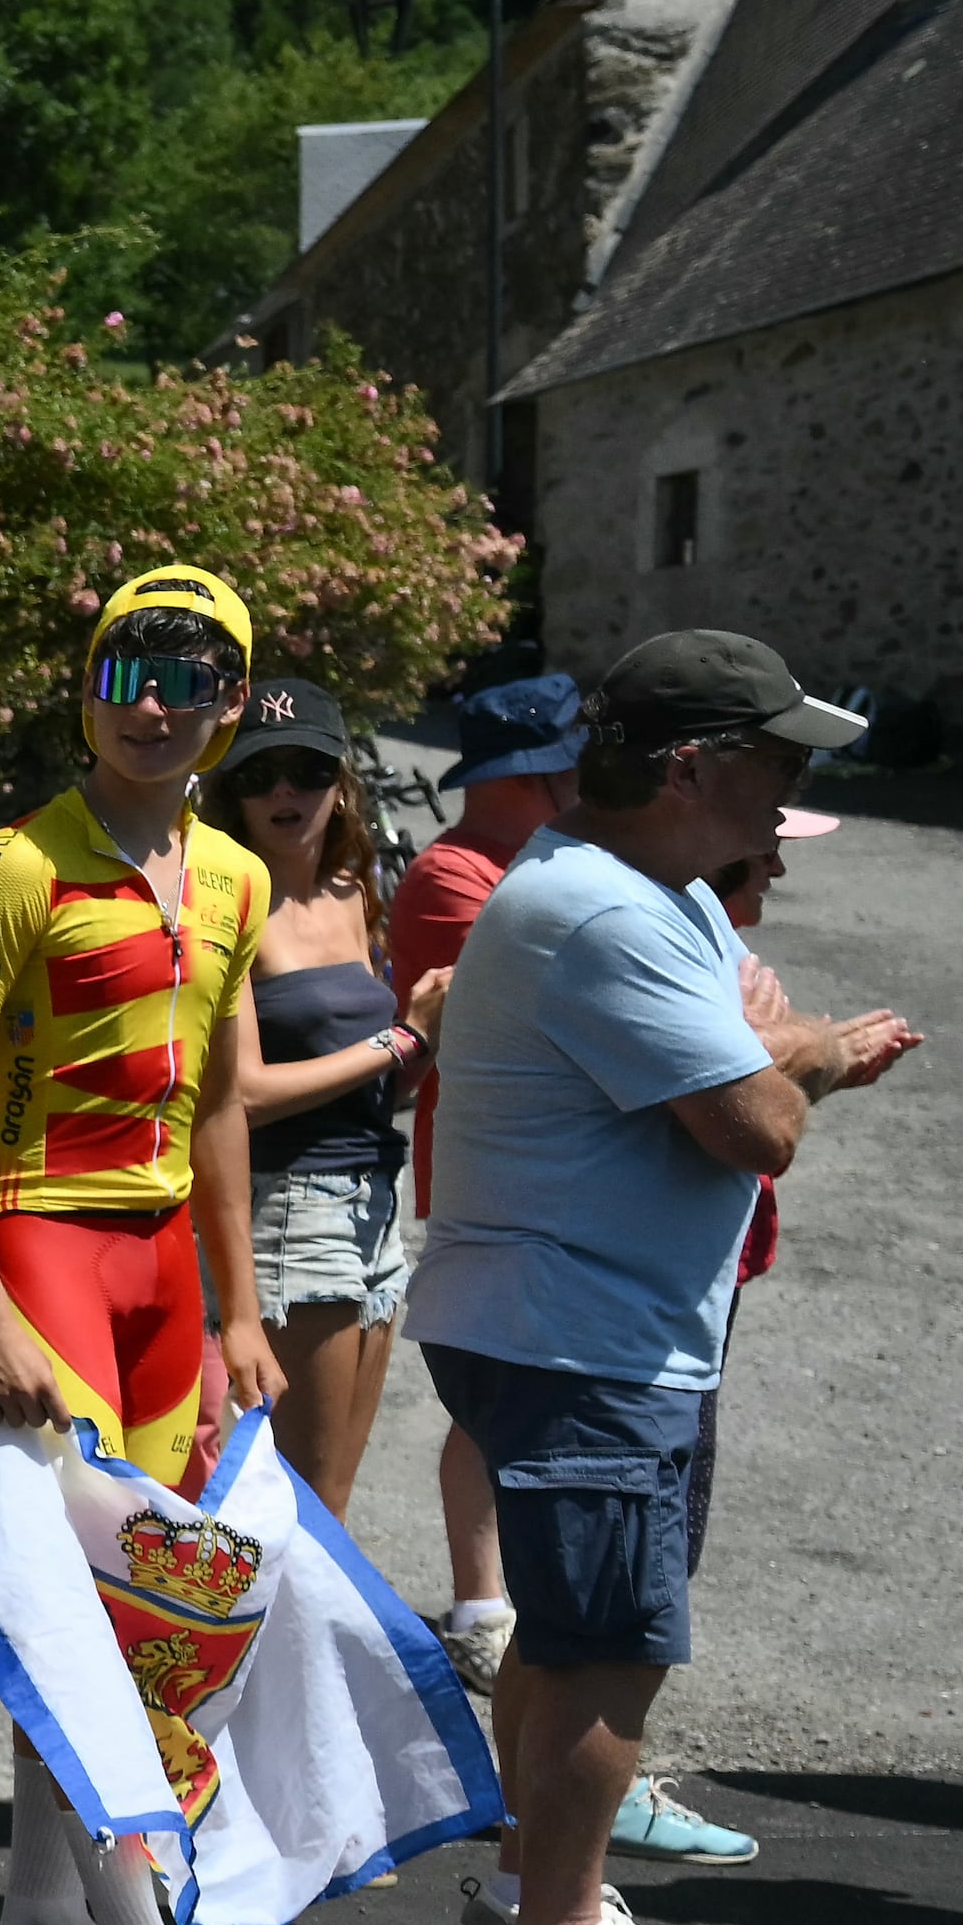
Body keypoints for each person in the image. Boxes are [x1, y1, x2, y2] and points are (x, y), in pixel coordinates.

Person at [408, 633, 912, 1925]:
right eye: (778, 762)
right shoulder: (609, 916)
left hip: (587, 1324)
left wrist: (774, 1046)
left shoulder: (651, 892)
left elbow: (764, 1062)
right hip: (581, 1333)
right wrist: (790, 1055)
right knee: (605, 1645)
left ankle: (531, 1893)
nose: (792, 798)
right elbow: (762, 1124)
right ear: (692, 766)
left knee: (578, 1634)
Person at [0, 564, 289, 1925]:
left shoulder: (242, 879)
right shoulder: (19, 864)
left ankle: (42, 1905)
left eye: (192, 675)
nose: (156, 701)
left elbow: (225, 1101)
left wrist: (243, 1305)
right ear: (89, 682)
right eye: (130, 667)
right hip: (48, 1240)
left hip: (169, 1266)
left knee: (137, 1597)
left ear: (232, 702)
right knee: (103, 1610)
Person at [394, 669, 584, 1689]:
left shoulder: (522, 863)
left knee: (524, 1387)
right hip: (488, 1169)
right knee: (488, 1392)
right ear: (538, 771)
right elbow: (540, 1011)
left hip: (539, 1166)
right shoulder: (454, 874)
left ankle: (506, 1601)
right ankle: (480, 1608)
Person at [215, 681, 442, 1519]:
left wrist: (426, 1042)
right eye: (259, 773)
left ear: (341, 783)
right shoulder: (226, 900)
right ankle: (248, 1649)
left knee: (334, 1495)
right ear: (229, 793)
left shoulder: (354, 890)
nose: (285, 791)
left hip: (372, 1203)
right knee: (297, 1498)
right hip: (287, 1210)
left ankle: (292, 1651)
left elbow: (369, 1078)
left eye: (305, 769)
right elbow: (242, 1095)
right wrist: (406, 1038)